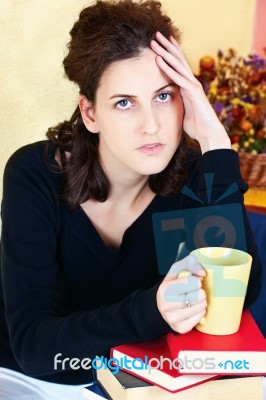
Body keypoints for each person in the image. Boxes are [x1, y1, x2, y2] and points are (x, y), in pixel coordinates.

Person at [0, 0, 262, 399]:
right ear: (89, 113)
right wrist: (151, 312)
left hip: (136, 384)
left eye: (163, 96)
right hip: (28, 377)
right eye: (124, 102)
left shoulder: (194, 177)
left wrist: (215, 143)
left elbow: (235, 296)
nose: (151, 125)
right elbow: (36, 347)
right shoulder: (35, 176)